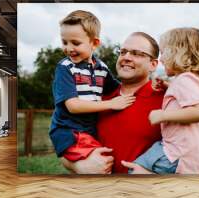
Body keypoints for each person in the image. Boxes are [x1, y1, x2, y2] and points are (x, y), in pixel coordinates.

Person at [61, 32, 164, 174]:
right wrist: (78, 166)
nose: (126, 57)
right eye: (123, 52)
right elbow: (64, 145)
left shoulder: (167, 99)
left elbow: (193, 152)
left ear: (153, 64)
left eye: (136, 53)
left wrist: (153, 176)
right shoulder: (95, 98)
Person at [49, 10, 135, 164]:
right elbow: (73, 106)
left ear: (94, 43)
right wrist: (111, 104)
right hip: (70, 132)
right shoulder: (65, 68)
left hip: (90, 132)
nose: (68, 48)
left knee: (110, 160)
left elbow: (119, 90)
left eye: (75, 43)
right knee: (103, 163)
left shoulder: (101, 68)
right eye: (64, 42)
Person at [131, 27, 199, 175]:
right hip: (190, 154)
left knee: (135, 170)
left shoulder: (184, 80)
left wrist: (162, 115)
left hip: (177, 155)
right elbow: (189, 99)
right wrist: (168, 86)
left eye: (164, 52)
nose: (161, 59)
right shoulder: (190, 81)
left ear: (179, 54)